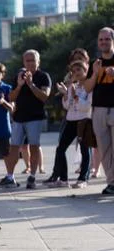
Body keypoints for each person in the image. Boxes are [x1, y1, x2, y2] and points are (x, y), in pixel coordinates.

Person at [0, 49, 52, 189]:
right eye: (27, 60)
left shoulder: (43, 76)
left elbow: (44, 96)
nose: (30, 63)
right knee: (14, 147)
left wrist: (31, 84)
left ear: (38, 62)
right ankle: (10, 176)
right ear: (23, 62)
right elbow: (12, 97)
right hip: (18, 118)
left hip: (35, 117)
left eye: (32, 60)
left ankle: (32, 176)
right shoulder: (18, 76)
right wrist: (21, 85)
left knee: (34, 146)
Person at [44, 60, 92, 189]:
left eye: (79, 70)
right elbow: (67, 106)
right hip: (71, 120)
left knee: (84, 150)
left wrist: (76, 96)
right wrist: (66, 94)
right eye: (74, 71)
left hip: (84, 120)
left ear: (85, 70)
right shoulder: (72, 86)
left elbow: (87, 106)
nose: (76, 73)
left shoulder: (89, 86)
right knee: (61, 148)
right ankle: (63, 179)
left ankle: (83, 178)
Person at [85, 27, 114, 195]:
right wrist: (95, 74)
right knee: (104, 149)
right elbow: (87, 88)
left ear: (112, 40)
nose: (103, 42)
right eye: (101, 39)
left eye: (107, 39)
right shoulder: (95, 63)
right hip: (99, 111)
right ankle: (111, 182)